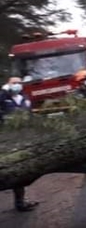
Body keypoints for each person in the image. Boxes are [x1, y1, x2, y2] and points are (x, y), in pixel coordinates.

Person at [0, 77, 39, 212]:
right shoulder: (4, 98)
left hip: (23, 138)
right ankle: (20, 202)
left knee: (19, 171)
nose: (17, 85)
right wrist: (3, 92)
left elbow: (30, 115)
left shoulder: (24, 97)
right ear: (8, 84)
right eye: (14, 83)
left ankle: (20, 202)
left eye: (19, 83)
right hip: (7, 139)